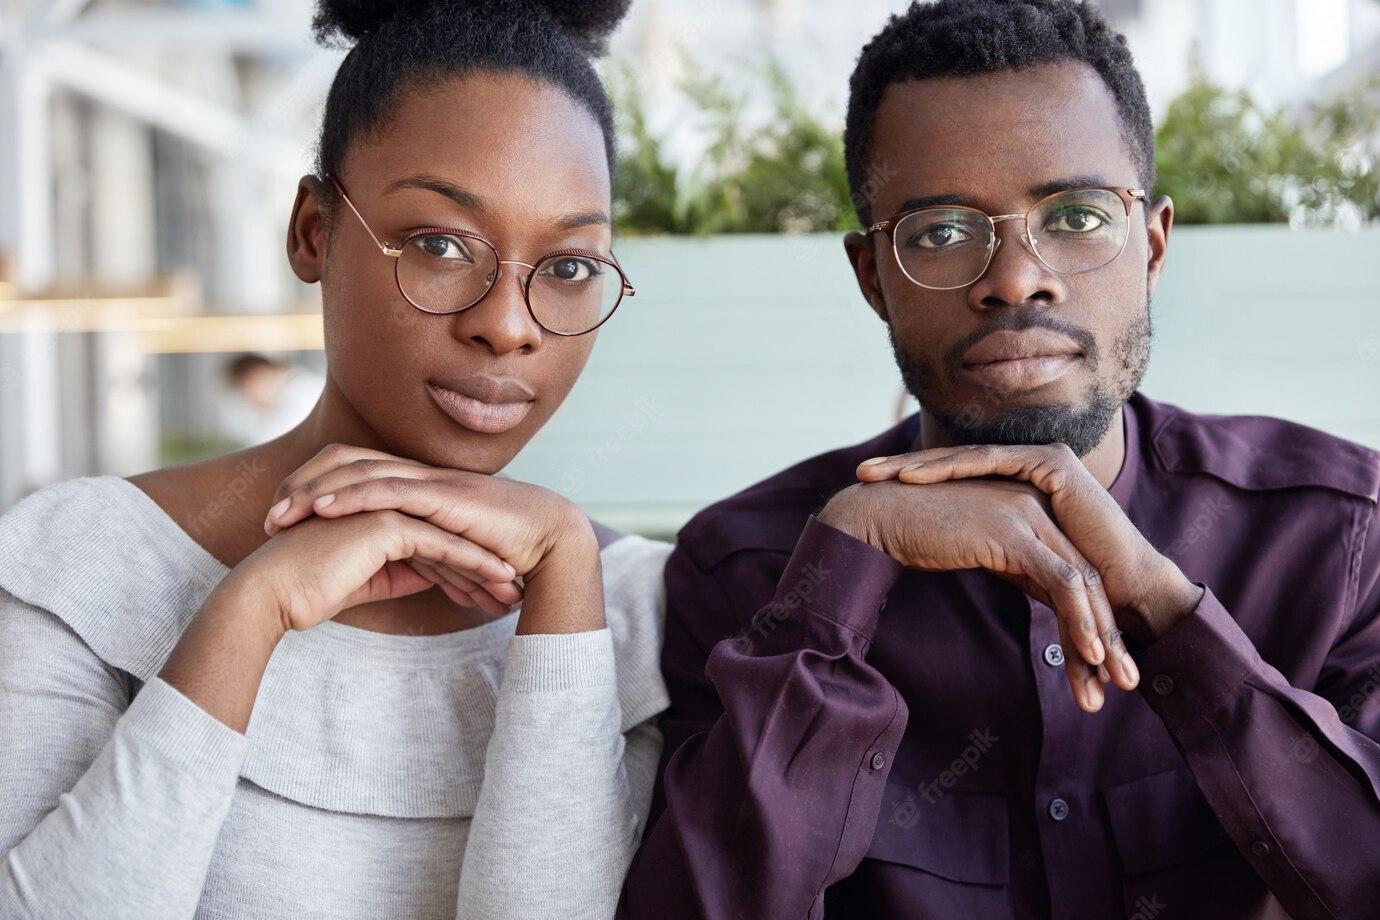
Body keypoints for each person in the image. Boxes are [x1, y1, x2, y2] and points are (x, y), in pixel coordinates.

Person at [622, 1, 1380, 918]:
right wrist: (837, 584)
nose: (1016, 278)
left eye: (1074, 214)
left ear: (1153, 244)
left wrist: (1170, 612)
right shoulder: (746, 574)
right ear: (872, 279)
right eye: (940, 231)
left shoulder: (1336, 537)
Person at [0, 1, 670, 918]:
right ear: (313, 231)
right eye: (440, 245)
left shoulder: (635, 609)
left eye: (568, 267)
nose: (507, 326)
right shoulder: (81, 563)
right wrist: (249, 612)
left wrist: (564, 567)